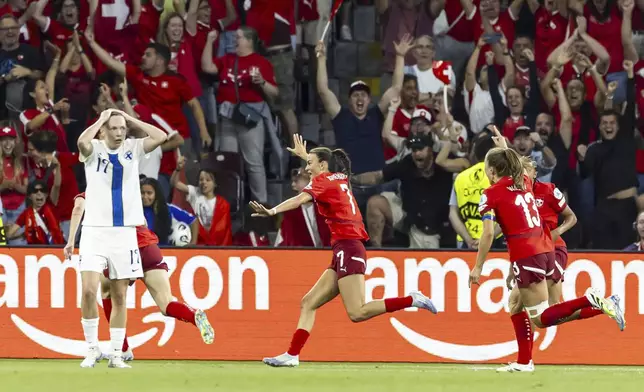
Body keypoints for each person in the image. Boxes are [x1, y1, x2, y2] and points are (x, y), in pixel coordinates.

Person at [252, 134, 437, 368]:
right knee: (308, 302)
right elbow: (321, 172)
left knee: (357, 312)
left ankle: (412, 299)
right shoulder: (339, 177)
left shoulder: (322, 182)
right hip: (346, 246)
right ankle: (292, 354)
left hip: (349, 247)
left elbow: (299, 200)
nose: (306, 168)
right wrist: (306, 156)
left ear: (322, 165)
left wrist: (272, 211)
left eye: (310, 163)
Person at [469, 133, 624, 366]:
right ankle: (524, 362)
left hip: (528, 253)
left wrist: (478, 267)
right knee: (515, 304)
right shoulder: (525, 183)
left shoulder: (491, 194)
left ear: (491, 171)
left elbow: (489, 233)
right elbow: (516, 168)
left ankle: (589, 300)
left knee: (542, 317)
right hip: (543, 250)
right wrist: (505, 147)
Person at [65, 192, 215, 362]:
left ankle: (123, 349)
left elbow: (78, 208)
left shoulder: (93, 192)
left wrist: (71, 240)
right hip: (149, 247)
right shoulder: (126, 191)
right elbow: (142, 221)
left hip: (123, 249)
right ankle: (193, 315)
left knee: (109, 293)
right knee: (166, 304)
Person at [71, 108, 167, 368]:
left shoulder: (132, 148)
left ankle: (116, 354)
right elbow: (81, 142)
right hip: (94, 229)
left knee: (120, 295)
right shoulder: (93, 150)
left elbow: (161, 136)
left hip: (125, 232)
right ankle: (92, 350)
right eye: (114, 128)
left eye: (121, 128)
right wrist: (102, 119)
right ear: (103, 131)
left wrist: (130, 119)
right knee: (90, 290)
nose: (119, 132)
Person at [498, 159, 614, 372]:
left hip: (550, 250)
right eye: (518, 169)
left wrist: (556, 233)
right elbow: (518, 235)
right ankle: (601, 306)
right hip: (532, 252)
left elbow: (572, 218)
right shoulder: (517, 196)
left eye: (525, 169)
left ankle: (594, 303)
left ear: (534, 172)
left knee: (541, 309)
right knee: (528, 307)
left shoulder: (548, 191)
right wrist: (511, 267)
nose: (521, 173)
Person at [171, 156, 232, 246]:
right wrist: (178, 169)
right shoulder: (194, 192)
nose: (204, 182)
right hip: (198, 242)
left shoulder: (223, 204)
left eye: (208, 180)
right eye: (201, 180)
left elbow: (224, 230)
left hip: (216, 244)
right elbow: (175, 183)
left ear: (215, 183)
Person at [4, 179, 64, 244]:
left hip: (55, 249)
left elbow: (57, 185)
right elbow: (9, 234)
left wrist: (57, 168)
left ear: (46, 195)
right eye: (35, 191)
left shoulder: (52, 207)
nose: (39, 193)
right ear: (29, 196)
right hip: (34, 250)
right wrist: (6, 229)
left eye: (42, 190)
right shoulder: (26, 213)